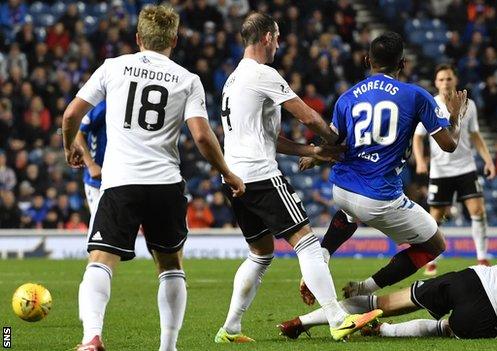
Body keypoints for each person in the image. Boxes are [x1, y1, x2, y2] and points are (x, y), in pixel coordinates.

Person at [62, 5, 245, 351]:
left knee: (101, 260)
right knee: (171, 265)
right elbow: (203, 138)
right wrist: (227, 172)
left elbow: (71, 114)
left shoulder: (113, 67)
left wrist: (68, 145)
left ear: (137, 38)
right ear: (174, 40)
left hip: (119, 183)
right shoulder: (188, 79)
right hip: (165, 184)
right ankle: (168, 347)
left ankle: (91, 339)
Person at [214, 12, 381, 343]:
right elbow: (308, 116)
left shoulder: (234, 80)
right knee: (306, 242)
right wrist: (334, 139)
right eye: (277, 37)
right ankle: (338, 318)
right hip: (260, 175)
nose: (279, 42)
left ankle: (230, 328)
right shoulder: (264, 74)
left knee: (260, 254)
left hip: (235, 177)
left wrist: (312, 152)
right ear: (266, 38)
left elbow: (270, 139)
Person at [297, 32, 467, 308]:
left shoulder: (347, 98)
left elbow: (334, 143)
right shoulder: (416, 96)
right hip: (379, 196)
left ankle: (321, 258)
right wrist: (455, 118)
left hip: (341, 188)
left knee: (349, 212)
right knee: (435, 244)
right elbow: (448, 145)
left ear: (367, 60)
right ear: (403, 63)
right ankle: (366, 289)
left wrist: (315, 158)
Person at [280, 229, 497, 340]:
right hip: (489, 314)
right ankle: (385, 332)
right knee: (445, 328)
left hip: (471, 279)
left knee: (383, 303)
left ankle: (300, 322)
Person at [414, 64, 496, 275]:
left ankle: (482, 258)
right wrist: (421, 160)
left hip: (466, 167)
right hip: (441, 170)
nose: (445, 83)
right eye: (441, 79)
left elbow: (475, 135)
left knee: (478, 211)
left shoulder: (470, 105)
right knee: (436, 217)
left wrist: (488, 160)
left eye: (448, 79)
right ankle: (431, 260)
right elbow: (418, 136)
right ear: (435, 83)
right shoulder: (430, 104)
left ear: (455, 80)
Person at [74, 101, 106, 214]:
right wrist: (91, 165)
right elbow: (77, 134)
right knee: (100, 224)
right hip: (97, 179)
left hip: (120, 177)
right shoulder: (103, 106)